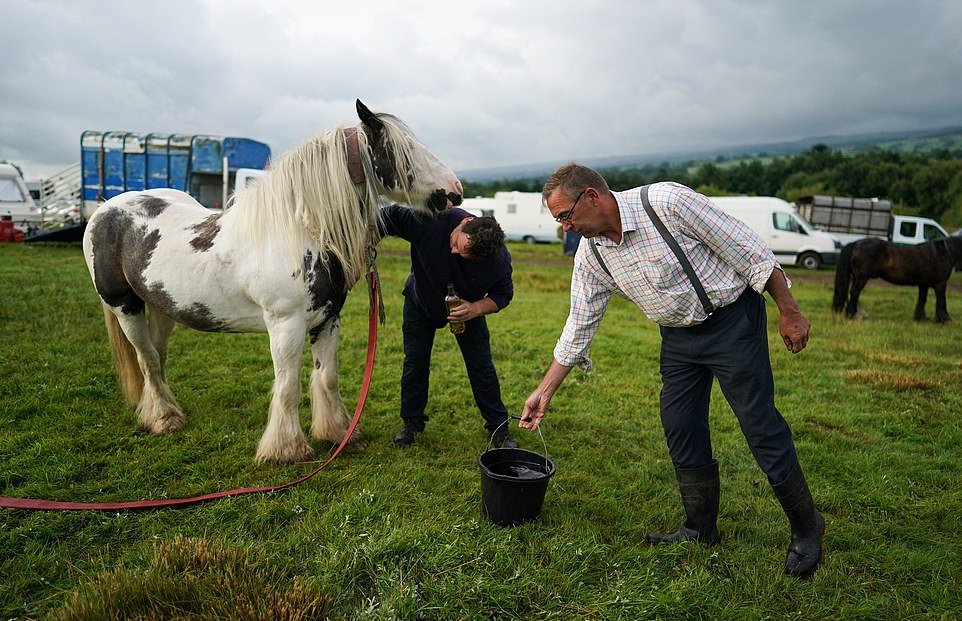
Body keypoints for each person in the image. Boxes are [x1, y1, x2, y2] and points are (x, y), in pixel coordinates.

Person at [519, 164, 824, 578]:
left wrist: (789, 312)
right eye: (559, 221)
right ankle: (700, 527)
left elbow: (750, 251)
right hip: (679, 339)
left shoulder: (667, 203)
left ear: (592, 196)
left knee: (759, 425)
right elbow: (579, 324)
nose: (566, 228)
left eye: (566, 216)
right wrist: (544, 391)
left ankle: (807, 527)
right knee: (680, 424)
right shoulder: (592, 255)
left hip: (731, 322)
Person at [379, 204, 518, 449]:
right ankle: (412, 423)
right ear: (465, 224)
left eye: (465, 255)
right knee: (415, 362)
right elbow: (384, 216)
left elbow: (503, 294)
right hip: (421, 300)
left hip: (466, 311)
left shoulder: (498, 259)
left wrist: (475, 309)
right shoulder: (431, 220)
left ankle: (498, 429)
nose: (454, 252)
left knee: (481, 365)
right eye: (456, 244)